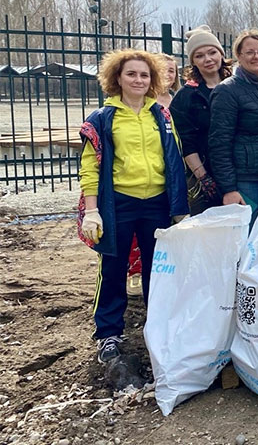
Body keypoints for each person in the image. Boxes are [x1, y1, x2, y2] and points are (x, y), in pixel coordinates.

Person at [77, 49, 188, 364]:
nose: (139, 80)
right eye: (131, 74)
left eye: (144, 74)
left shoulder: (161, 116)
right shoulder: (102, 119)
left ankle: (160, 328)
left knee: (160, 271)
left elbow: (174, 161)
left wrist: (179, 208)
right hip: (119, 205)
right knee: (112, 270)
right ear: (117, 78)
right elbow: (91, 167)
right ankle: (109, 334)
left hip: (156, 205)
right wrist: (93, 210)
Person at [208, 29, 258, 224]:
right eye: (250, 52)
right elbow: (219, 143)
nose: (257, 56)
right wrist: (229, 189)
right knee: (247, 239)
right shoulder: (227, 90)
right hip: (245, 179)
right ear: (238, 56)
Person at [170, 25, 232, 215]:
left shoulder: (237, 87)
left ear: (221, 54)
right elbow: (186, 142)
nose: (208, 59)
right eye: (199, 56)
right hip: (206, 173)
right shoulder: (186, 97)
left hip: (239, 171)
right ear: (193, 62)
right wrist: (203, 177)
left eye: (212, 52)